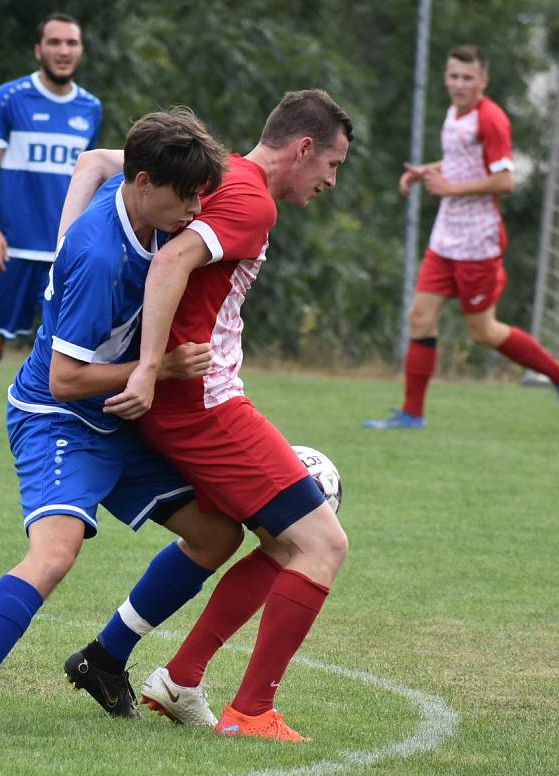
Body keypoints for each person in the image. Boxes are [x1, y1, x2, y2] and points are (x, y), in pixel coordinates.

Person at [0, 108, 246, 733]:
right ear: (147, 183)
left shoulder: (133, 195)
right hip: (57, 418)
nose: (194, 212)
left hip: (115, 419)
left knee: (217, 534)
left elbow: (95, 160)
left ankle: (104, 659)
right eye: (186, 198)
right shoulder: (102, 257)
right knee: (54, 554)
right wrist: (163, 369)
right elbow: (63, 380)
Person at [66, 89, 354, 742]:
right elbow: (170, 262)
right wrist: (146, 367)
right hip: (202, 408)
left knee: (272, 539)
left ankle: (176, 676)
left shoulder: (215, 173)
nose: (330, 182)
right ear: (302, 149)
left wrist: (61, 257)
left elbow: (93, 163)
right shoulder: (251, 198)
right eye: (331, 165)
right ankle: (251, 711)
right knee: (322, 540)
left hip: (193, 402)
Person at [364, 44, 559, 431]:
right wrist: (426, 171)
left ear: (483, 81)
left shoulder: (491, 119)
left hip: (478, 241)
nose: (458, 84)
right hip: (446, 237)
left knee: (484, 332)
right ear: (445, 77)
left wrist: (448, 188)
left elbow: (505, 179)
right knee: (420, 317)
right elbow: (460, 164)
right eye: (453, 76)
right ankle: (412, 414)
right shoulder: (454, 113)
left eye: (467, 78)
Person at [0, 12, 102, 471]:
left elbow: (91, 178)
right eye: (54, 42)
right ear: (39, 50)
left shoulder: (90, 108)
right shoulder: (10, 98)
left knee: (71, 351)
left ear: (80, 50)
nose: (63, 50)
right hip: (12, 249)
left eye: (71, 43)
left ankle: (72, 443)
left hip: (64, 254)